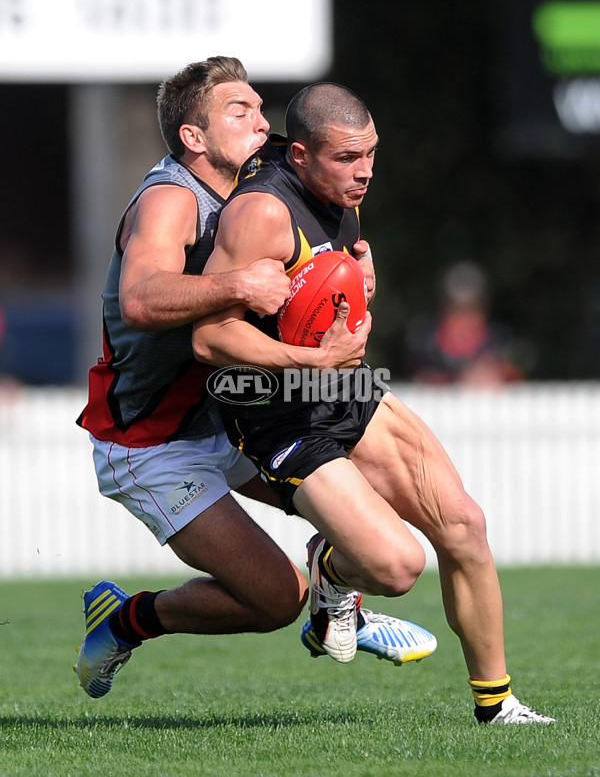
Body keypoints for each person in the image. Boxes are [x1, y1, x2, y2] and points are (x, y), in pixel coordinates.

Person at [191, 82, 555, 724]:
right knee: (395, 566)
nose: (363, 172)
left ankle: (498, 708)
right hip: (272, 410)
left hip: (344, 388)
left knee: (464, 525)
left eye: (371, 155)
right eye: (346, 158)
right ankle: (333, 567)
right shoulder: (263, 214)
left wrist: (359, 289)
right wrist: (311, 360)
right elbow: (209, 336)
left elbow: (324, 289)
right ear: (300, 155)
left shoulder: (340, 189)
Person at [74, 57, 437, 699]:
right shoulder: (171, 198)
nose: (260, 120)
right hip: (151, 442)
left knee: (367, 521)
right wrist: (237, 283)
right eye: (239, 111)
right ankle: (127, 619)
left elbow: (325, 226)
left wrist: (351, 272)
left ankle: (334, 598)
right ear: (193, 137)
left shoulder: (260, 187)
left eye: (260, 108)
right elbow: (140, 299)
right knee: (273, 601)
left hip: (224, 412)